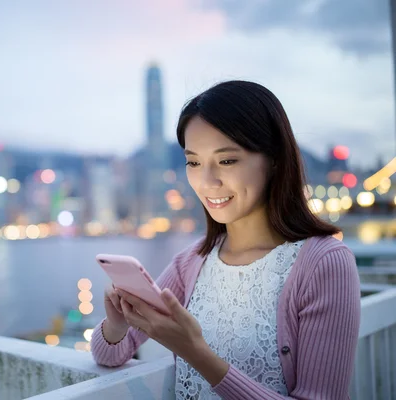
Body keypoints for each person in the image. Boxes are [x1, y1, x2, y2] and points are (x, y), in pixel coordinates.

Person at [90, 80, 361, 399]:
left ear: (274, 159)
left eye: (227, 160)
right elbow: (108, 355)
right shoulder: (191, 264)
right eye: (193, 162)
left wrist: (196, 354)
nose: (207, 181)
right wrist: (117, 324)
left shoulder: (324, 264)